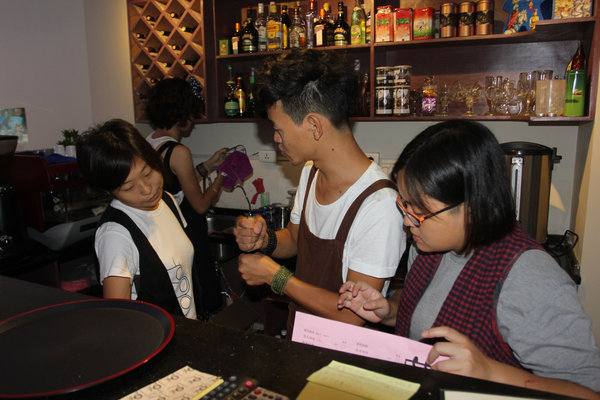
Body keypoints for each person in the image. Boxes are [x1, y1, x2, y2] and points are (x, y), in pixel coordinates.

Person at [338, 120, 600, 399]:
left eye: (420, 210)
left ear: (473, 207)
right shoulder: (428, 246)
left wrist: (491, 372)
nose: (407, 220)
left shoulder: (529, 277)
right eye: (404, 203)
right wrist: (389, 311)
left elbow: (588, 391)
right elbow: (430, 307)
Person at [233, 49, 404, 335]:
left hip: (348, 361)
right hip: (301, 338)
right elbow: (296, 241)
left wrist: (276, 276)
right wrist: (265, 241)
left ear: (314, 125)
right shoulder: (311, 173)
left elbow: (353, 316)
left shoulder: (380, 205)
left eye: (278, 129)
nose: (275, 139)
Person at [77, 119, 201, 319]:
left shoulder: (167, 201)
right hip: (155, 342)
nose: (147, 189)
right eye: (129, 187)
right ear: (109, 191)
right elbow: (117, 318)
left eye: (148, 172)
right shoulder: (116, 235)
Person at [145, 77, 227, 317]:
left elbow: (174, 184)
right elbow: (200, 205)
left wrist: (209, 166)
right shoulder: (179, 151)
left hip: (163, 237)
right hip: (188, 235)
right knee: (199, 299)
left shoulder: (150, 143)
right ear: (182, 112)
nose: (193, 119)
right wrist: (222, 176)